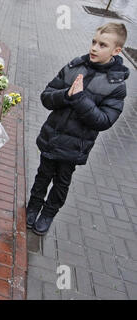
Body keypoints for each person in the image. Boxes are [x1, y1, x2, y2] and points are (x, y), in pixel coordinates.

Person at [27, 23, 130, 236]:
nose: (94, 48)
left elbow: (104, 120)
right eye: (94, 42)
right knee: (42, 174)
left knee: (61, 182)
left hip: (74, 147)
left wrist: (80, 98)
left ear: (116, 51)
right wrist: (66, 95)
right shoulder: (75, 66)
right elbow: (47, 97)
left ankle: (48, 213)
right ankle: (33, 206)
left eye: (102, 45)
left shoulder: (116, 85)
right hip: (51, 137)